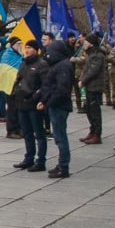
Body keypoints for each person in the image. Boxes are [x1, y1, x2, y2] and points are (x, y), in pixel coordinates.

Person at [35, 40, 74, 179]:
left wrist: (48, 103)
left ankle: (63, 166)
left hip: (59, 106)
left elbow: (61, 90)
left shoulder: (63, 66)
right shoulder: (58, 65)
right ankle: (61, 164)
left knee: (60, 137)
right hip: (55, 105)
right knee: (59, 136)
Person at [11, 39, 49, 171]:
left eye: (30, 48)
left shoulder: (41, 64)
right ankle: (29, 158)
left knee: (39, 133)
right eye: (26, 47)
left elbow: (45, 84)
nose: (27, 50)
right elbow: (18, 79)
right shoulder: (24, 63)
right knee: (27, 133)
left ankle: (41, 160)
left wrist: (38, 98)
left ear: (36, 50)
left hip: (33, 103)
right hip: (22, 103)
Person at [79, 33, 105, 144]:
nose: (84, 43)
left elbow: (93, 71)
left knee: (95, 112)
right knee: (88, 110)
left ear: (91, 43)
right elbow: (86, 69)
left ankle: (97, 134)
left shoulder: (98, 55)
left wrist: (83, 80)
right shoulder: (90, 54)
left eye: (86, 41)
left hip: (95, 86)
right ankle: (92, 131)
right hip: (88, 86)